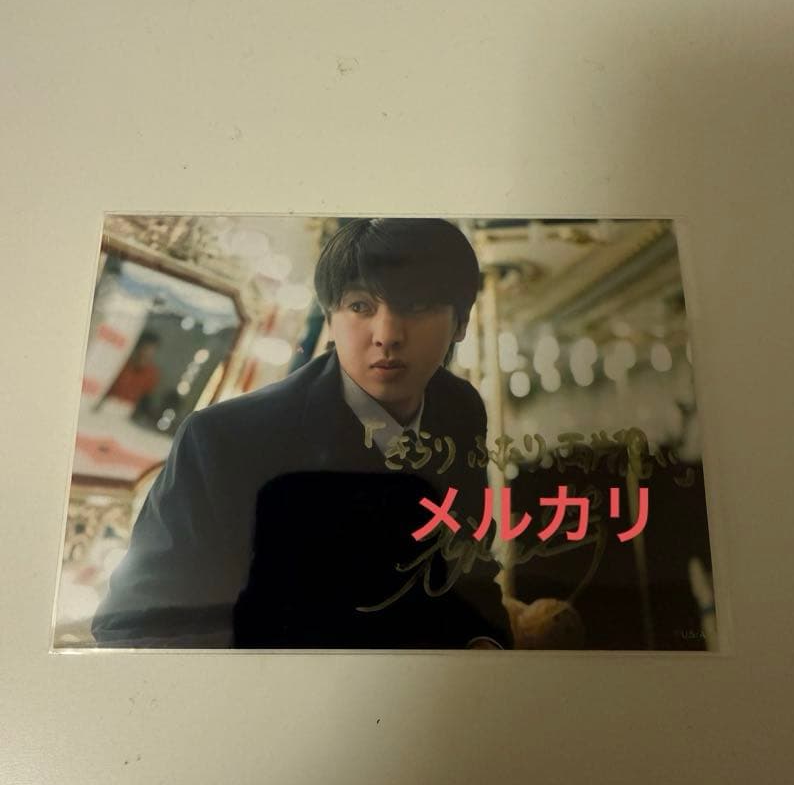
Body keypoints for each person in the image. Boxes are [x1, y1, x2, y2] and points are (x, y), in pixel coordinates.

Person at [91, 218, 511, 649]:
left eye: (416, 306)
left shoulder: (459, 408)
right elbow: (136, 629)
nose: (386, 336)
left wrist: (485, 643)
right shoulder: (223, 439)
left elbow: (470, 573)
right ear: (330, 317)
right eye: (360, 306)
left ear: (460, 323)